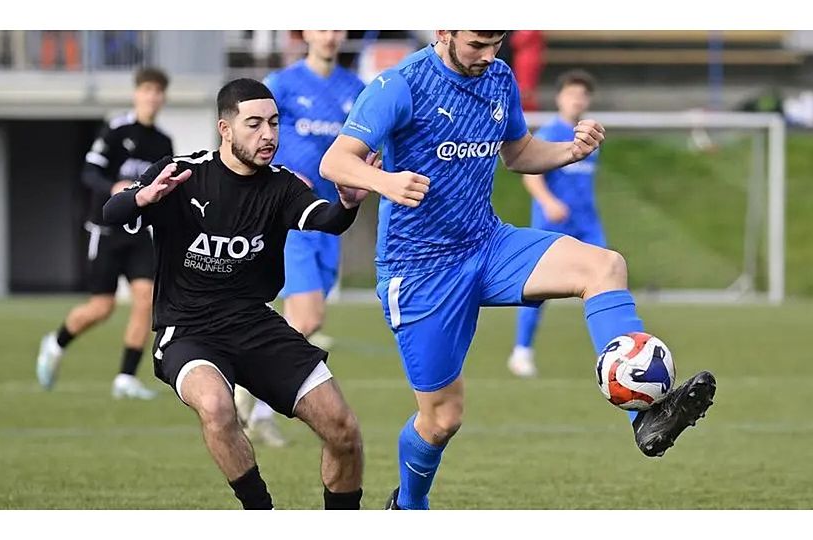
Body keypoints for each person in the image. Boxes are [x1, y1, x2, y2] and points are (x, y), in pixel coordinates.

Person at [320, 30, 717, 510]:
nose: (489, 55)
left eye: (498, 42)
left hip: (488, 243)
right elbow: (335, 160)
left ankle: (648, 417)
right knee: (442, 419)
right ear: (444, 31)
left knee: (604, 265)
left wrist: (569, 151)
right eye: (477, 44)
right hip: (420, 270)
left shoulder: (500, 78)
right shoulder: (399, 85)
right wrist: (384, 180)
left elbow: (519, 152)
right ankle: (408, 506)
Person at [103, 78, 368, 510]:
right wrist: (143, 197)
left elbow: (327, 220)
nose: (268, 135)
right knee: (217, 406)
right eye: (254, 124)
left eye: (274, 123)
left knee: (343, 428)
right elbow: (111, 213)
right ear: (225, 129)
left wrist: (348, 204)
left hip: (255, 324)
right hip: (187, 329)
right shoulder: (182, 174)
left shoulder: (282, 185)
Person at [232, 30, 366, 448]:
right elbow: (250, 133)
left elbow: (366, 144)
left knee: (307, 320)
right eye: (321, 25)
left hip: (332, 218)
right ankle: (260, 405)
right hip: (289, 215)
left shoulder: (355, 89)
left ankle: (249, 389)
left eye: (336, 26)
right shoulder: (282, 83)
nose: (329, 34)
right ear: (305, 32)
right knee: (304, 318)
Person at [36, 67, 173, 400]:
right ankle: (56, 342)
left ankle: (125, 377)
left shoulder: (163, 142)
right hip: (107, 230)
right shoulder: (115, 131)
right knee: (102, 307)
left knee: (145, 299)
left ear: (163, 97)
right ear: (136, 93)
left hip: (140, 233)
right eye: (146, 90)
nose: (151, 97)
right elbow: (88, 173)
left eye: (158, 91)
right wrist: (114, 187)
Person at [508, 69, 604, 378]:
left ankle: (614, 357)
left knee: (608, 279)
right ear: (561, 97)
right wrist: (549, 202)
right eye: (572, 93)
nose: (577, 100)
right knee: (537, 291)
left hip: (587, 223)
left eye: (583, 95)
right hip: (552, 223)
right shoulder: (550, 132)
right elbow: (530, 174)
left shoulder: (589, 137)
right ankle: (522, 351)